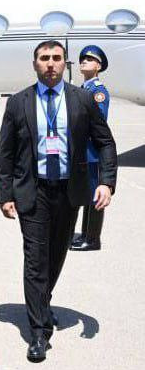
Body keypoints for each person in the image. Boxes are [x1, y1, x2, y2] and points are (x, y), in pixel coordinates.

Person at [0, 40, 116, 362]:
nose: (50, 63)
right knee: (35, 259)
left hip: (68, 191)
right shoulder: (19, 102)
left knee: (56, 255)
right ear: (35, 63)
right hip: (33, 191)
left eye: (56, 58)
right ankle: (38, 332)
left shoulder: (83, 99)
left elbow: (105, 142)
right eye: (44, 58)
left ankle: (42, 301)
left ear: (65, 63)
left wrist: (106, 182)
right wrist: (5, 195)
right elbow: (6, 152)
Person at [71, 45, 110, 252]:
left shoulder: (98, 92)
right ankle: (85, 234)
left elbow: (97, 121)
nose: (84, 61)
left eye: (90, 59)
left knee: (95, 195)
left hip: (91, 152)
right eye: (82, 59)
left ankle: (93, 239)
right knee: (87, 193)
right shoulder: (83, 89)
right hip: (81, 152)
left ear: (98, 66)